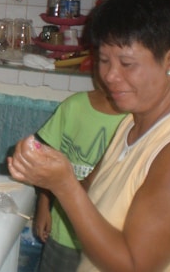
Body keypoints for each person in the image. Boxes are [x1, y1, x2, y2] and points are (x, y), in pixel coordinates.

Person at [8, 0, 170, 271]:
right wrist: (47, 169)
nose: (110, 75)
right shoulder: (132, 121)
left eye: (127, 63)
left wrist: (63, 184)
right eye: (103, 60)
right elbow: (91, 191)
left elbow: (133, 265)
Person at [34, 84, 125, 271]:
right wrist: (43, 205)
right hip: (64, 231)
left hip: (107, 237)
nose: (112, 73)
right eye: (105, 60)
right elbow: (48, 160)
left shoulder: (134, 119)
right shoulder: (74, 106)